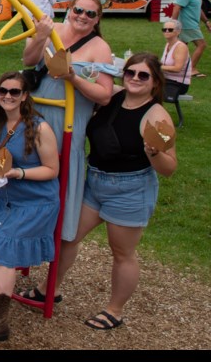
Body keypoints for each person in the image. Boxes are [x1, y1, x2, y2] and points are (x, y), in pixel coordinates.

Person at [23, 53, 177, 332]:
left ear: (155, 83)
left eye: (144, 76)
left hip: (129, 188)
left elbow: (169, 168)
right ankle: (49, 289)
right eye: (131, 73)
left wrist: (154, 153)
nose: (135, 79)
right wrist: (69, 73)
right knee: (69, 236)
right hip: (95, 181)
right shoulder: (114, 96)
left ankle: (114, 310)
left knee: (122, 252)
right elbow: (88, 89)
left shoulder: (157, 116)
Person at [0, 71, 59, 342]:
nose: (7, 96)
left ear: (25, 96)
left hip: (34, 202)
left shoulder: (39, 128)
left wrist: (20, 173)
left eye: (14, 92)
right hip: (3, 198)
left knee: (4, 255)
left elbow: (52, 170)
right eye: (2, 91)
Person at [23, 0, 113, 244]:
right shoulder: (54, 29)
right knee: (29, 164)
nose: (82, 17)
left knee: (58, 174)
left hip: (68, 121)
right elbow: (28, 60)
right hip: (37, 112)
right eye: (78, 10)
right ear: (70, 10)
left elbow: (105, 96)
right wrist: (40, 36)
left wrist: (73, 77)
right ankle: (25, 225)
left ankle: (56, 232)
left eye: (90, 14)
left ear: (97, 19)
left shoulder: (99, 47)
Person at [170, 0, 209, 78]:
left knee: (181, 47)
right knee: (201, 45)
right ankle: (192, 69)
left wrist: (206, 21)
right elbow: (177, 7)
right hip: (188, 25)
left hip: (191, 25)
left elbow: (198, 9)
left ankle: (176, 68)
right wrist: (173, 23)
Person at [159, 19, 191, 99]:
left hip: (178, 84)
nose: (166, 31)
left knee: (145, 86)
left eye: (170, 30)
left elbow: (177, 68)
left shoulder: (181, 47)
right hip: (167, 80)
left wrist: (157, 67)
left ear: (178, 32)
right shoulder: (168, 44)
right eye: (164, 29)